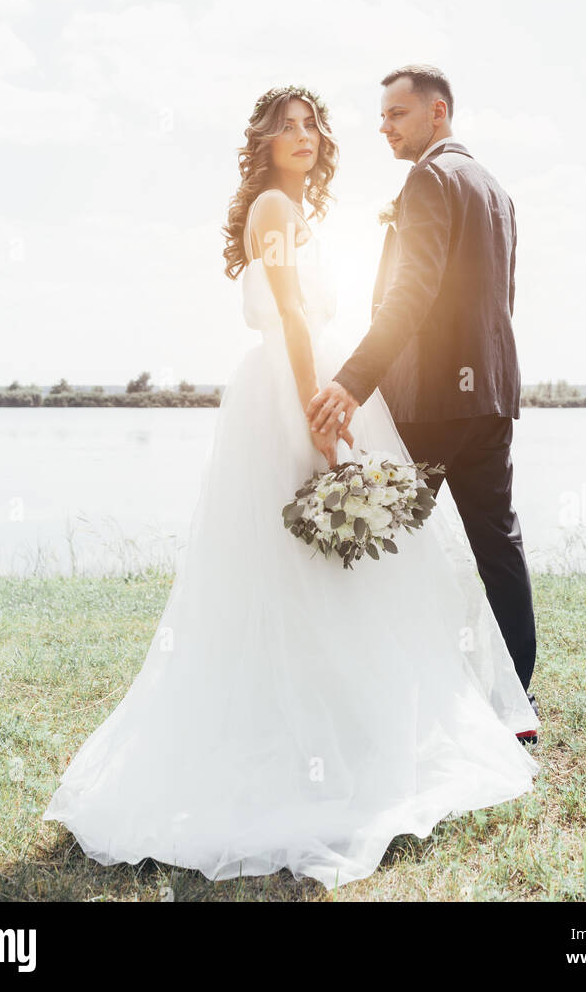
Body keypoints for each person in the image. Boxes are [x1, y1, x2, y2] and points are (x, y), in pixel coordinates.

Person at [42, 85, 539, 891]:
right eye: (286, 127)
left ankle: (346, 721)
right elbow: (295, 321)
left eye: (312, 124)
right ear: (263, 144)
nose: (303, 136)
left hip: (321, 390)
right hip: (289, 394)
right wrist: (322, 414)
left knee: (339, 569)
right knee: (294, 562)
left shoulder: (307, 215)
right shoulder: (273, 211)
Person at [307, 67, 538, 740]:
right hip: (490, 397)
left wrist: (351, 383)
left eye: (397, 113)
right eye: (381, 115)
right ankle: (515, 705)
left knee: (382, 546)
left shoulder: (429, 181)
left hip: (433, 400)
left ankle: (379, 700)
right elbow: (501, 300)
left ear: (438, 113)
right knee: (499, 544)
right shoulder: (494, 188)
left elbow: (413, 294)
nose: (385, 125)